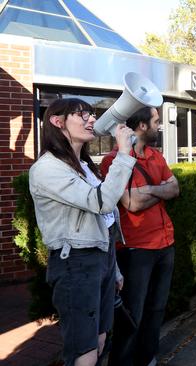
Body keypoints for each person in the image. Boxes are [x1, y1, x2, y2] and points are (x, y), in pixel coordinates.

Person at [29, 98, 135, 366]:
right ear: (57, 121)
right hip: (76, 263)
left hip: (100, 258)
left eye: (91, 114)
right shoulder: (47, 168)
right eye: (82, 114)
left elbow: (106, 221)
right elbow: (101, 202)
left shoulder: (84, 165)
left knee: (99, 341)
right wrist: (123, 154)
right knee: (84, 350)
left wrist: (115, 270)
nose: (91, 120)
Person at [101, 107, 179, 366]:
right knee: (132, 315)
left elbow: (175, 188)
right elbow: (131, 204)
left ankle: (148, 358)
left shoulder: (156, 155)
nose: (160, 126)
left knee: (156, 309)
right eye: (156, 121)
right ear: (143, 126)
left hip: (165, 244)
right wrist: (160, 190)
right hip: (135, 249)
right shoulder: (114, 160)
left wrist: (149, 189)